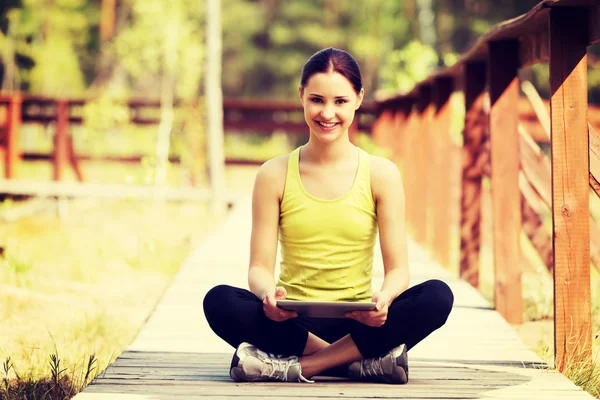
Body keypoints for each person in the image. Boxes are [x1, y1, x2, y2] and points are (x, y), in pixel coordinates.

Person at [203, 47, 454, 384]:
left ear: (358, 99)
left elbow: (399, 271)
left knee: (438, 296)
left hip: (360, 322)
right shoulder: (273, 174)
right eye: (317, 100)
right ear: (302, 96)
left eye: (340, 101)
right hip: (292, 321)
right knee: (219, 301)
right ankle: (356, 362)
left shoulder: (381, 174)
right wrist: (268, 296)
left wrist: (384, 299)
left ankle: (303, 367)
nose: (327, 113)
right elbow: (259, 268)